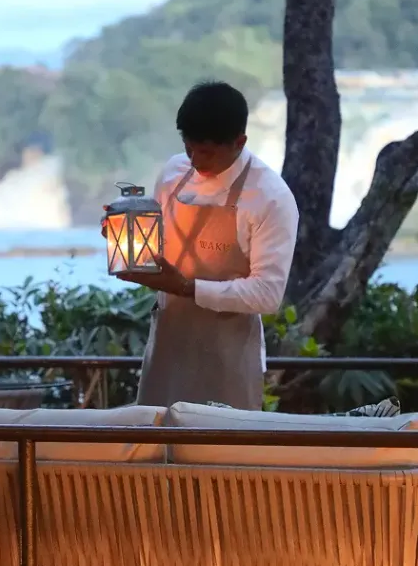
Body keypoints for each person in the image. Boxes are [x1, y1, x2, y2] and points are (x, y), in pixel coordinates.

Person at [113, 81, 299, 410]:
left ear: (239, 142)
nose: (196, 160)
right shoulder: (173, 173)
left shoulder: (270, 196)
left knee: (221, 453)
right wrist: (127, 236)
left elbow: (268, 294)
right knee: (155, 449)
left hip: (228, 355)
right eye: (189, 148)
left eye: (208, 152)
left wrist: (187, 287)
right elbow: (159, 249)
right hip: (168, 344)